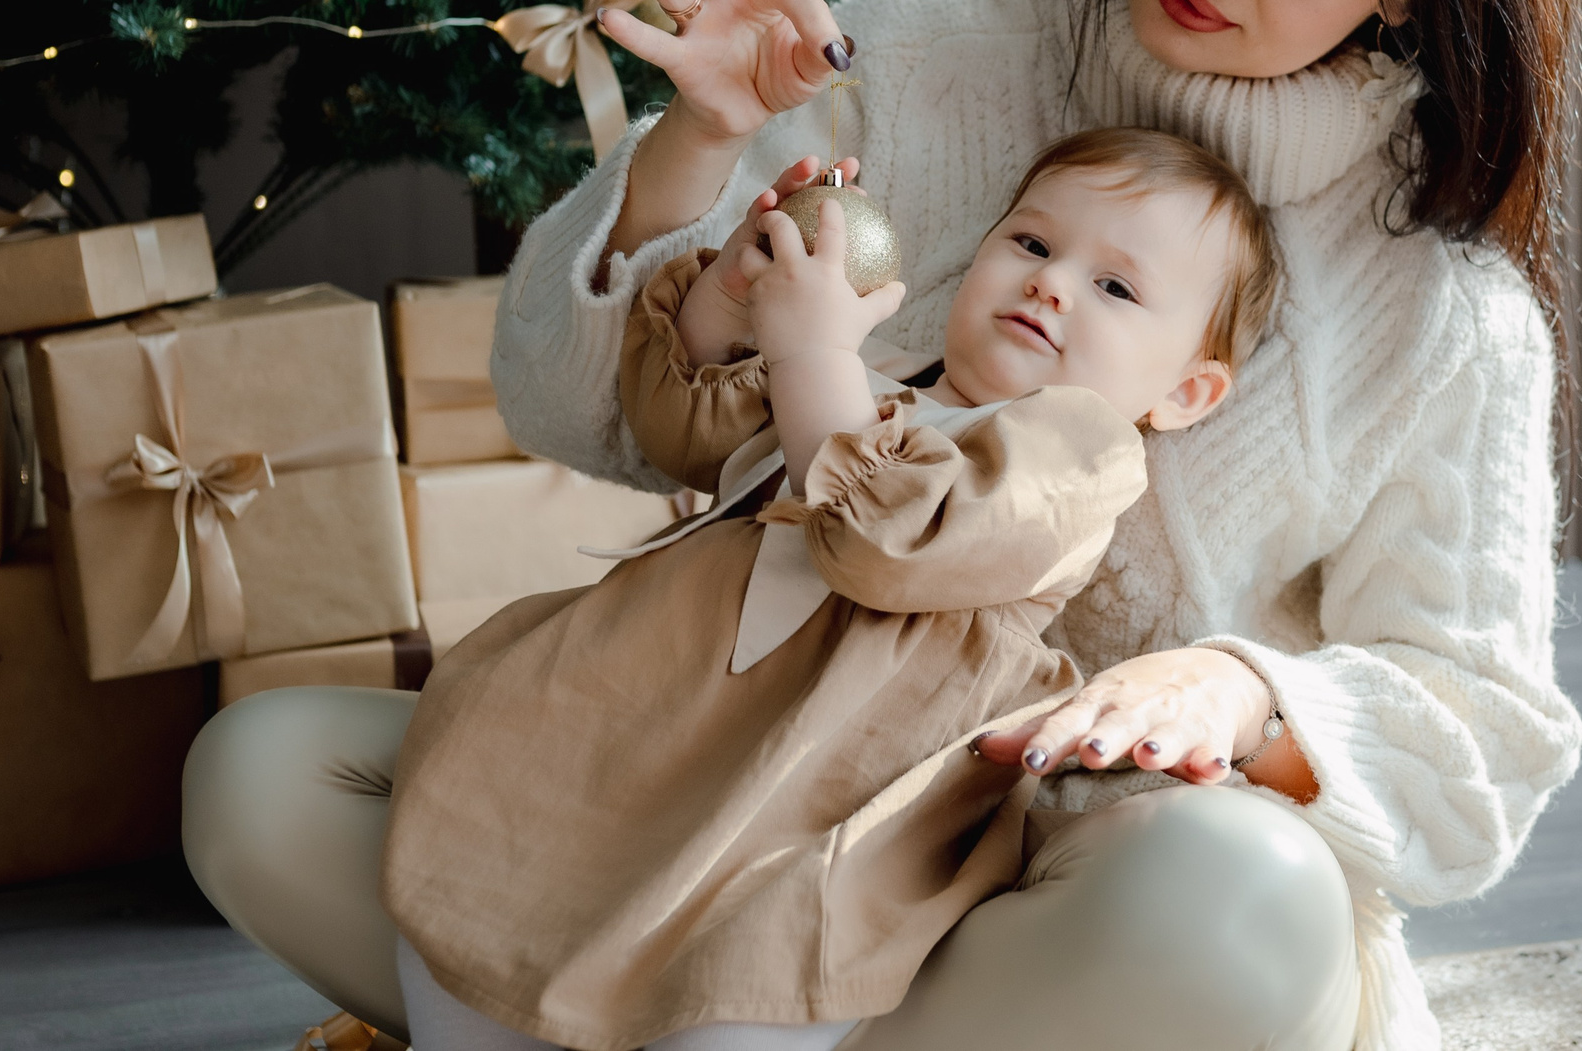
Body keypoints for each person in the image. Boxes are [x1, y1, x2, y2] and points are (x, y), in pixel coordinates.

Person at [183, 0, 1582, 1051]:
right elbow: (573, 412)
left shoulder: (1446, 318)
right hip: (730, 796)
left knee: (1240, 893)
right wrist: (692, 147)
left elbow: (1478, 732)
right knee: (262, 777)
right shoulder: (924, 50)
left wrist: (1245, 687)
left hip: (1066, 884)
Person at [383, 128, 1283, 1051]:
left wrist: (811, 351)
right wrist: (734, 300)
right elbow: (680, 427)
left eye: (1117, 287)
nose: (1052, 283)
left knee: (748, 978)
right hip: (662, 705)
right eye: (1033, 244)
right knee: (491, 869)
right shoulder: (875, 379)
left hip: (835, 775)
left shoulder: (1078, 450)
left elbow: (890, 541)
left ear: (1185, 393)